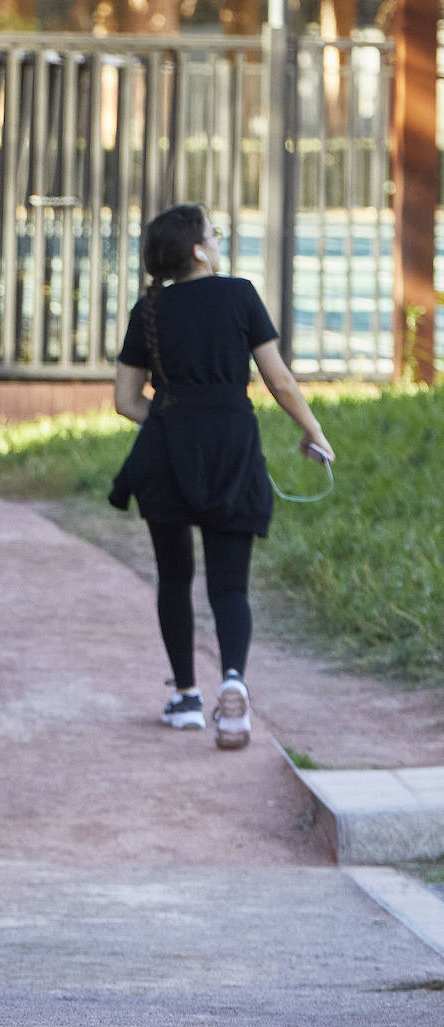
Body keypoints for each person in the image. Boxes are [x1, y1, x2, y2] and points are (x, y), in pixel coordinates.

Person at [109, 204, 335, 750]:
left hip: (165, 454)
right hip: (233, 446)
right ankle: (232, 688)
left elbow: (124, 400)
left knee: (174, 576)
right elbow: (277, 378)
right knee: (230, 584)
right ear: (198, 250)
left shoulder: (149, 310)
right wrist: (313, 431)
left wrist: (172, 427)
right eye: (215, 234)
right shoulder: (239, 294)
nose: (219, 240)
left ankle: (186, 696)